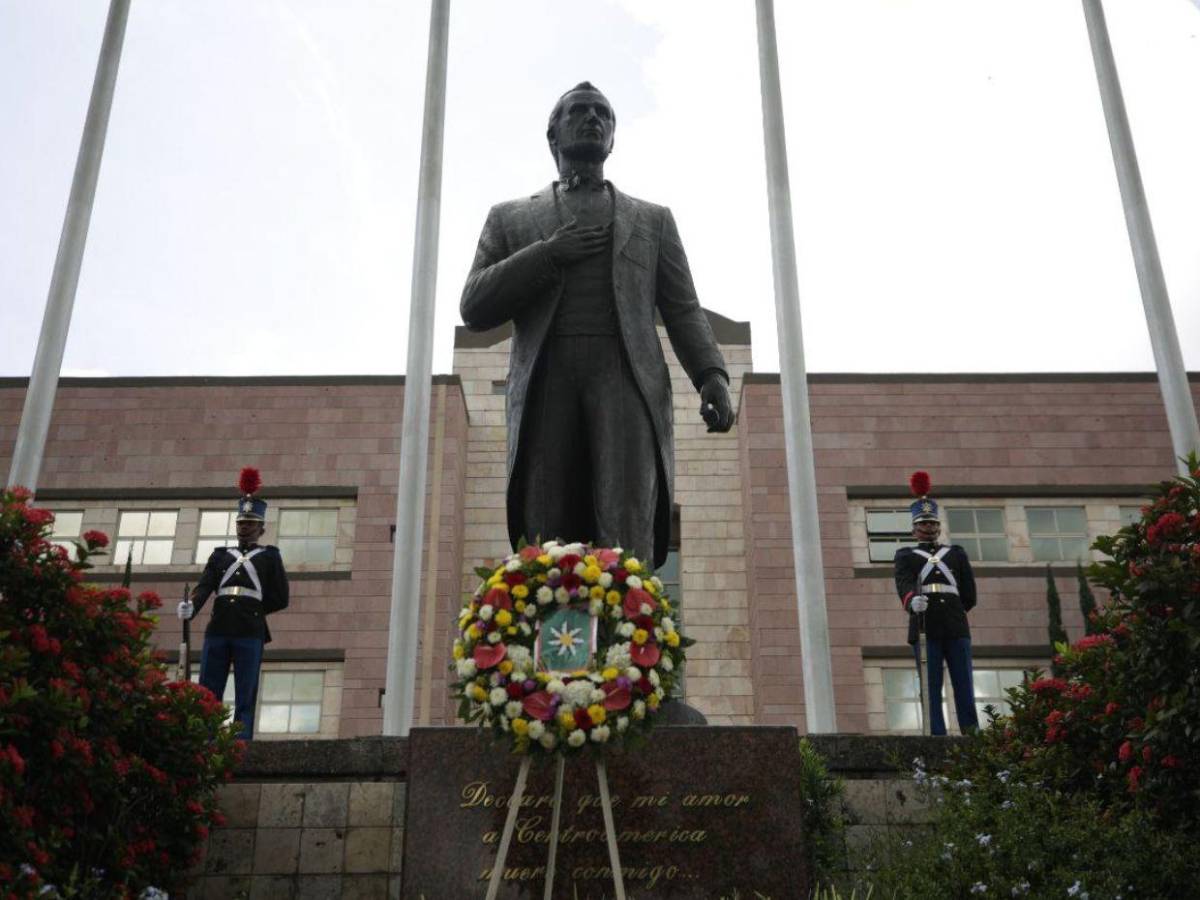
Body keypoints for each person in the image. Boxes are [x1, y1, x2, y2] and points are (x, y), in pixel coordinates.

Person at [459, 81, 734, 568]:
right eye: (580, 111)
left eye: (603, 113)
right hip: (548, 379)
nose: (593, 119)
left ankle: (631, 616)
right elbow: (475, 305)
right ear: (553, 135)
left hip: (624, 375)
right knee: (547, 525)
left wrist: (711, 374)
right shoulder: (510, 218)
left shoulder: (652, 220)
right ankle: (548, 615)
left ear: (613, 138)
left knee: (626, 516)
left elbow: (683, 307)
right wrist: (548, 254)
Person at [177, 468, 289, 739]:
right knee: (208, 687)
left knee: (245, 689)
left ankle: (241, 740)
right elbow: (205, 586)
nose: (244, 528)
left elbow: (281, 597)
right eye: (241, 523)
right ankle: (206, 738)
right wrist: (192, 607)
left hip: (250, 629)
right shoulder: (220, 555)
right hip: (219, 626)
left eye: (250, 523)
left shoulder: (270, 556)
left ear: (261, 528)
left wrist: (254, 608)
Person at [893, 471, 979, 735]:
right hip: (924, 623)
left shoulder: (956, 554)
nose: (928, 528)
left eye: (932, 523)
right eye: (923, 523)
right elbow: (903, 583)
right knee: (931, 686)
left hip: (954, 624)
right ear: (914, 529)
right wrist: (911, 601)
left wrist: (951, 609)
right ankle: (936, 736)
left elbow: (969, 594)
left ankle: (971, 733)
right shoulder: (905, 555)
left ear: (939, 527)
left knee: (964, 682)